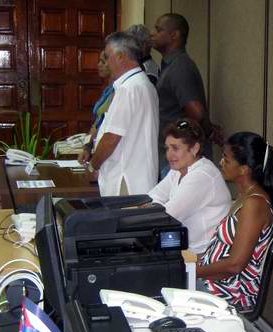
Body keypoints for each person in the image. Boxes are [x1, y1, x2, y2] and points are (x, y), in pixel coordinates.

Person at [197, 132, 273, 311]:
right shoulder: (245, 196)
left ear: (244, 169)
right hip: (214, 282)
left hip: (228, 293)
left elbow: (235, 265)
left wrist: (191, 271)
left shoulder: (254, 204)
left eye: (226, 160)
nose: (221, 163)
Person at [151, 13, 222, 176]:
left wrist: (208, 131)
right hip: (173, 156)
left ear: (174, 35)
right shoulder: (170, 65)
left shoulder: (180, 67)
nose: (152, 34)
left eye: (158, 29)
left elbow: (196, 113)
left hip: (182, 160)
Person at [90, 31, 159, 196]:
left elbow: (111, 138)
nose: (105, 63)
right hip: (139, 177)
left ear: (120, 56)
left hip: (124, 179)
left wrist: (94, 164)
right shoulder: (144, 84)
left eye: (107, 57)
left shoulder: (127, 89)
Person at [147, 119, 231, 254]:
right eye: (167, 148)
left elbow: (169, 216)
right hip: (187, 248)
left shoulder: (203, 175)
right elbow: (152, 197)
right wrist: (154, 206)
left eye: (175, 148)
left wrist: (153, 209)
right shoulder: (178, 170)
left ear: (194, 148)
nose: (169, 155)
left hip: (204, 255)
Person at [78, 49, 115, 164]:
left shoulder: (120, 90)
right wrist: (86, 146)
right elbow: (97, 121)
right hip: (95, 143)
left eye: (103, 62)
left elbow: (103, 122)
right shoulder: (109, 89)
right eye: (99, 61)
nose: (99, 65)